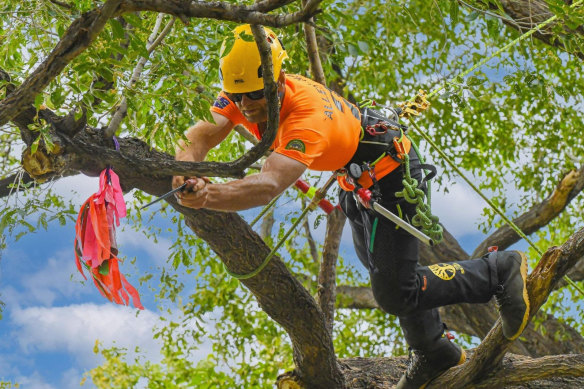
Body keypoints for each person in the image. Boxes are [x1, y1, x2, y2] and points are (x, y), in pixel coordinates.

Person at [172, 24, 530, 389]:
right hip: (358, 179)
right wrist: (183, 173)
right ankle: (433, 350)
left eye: (253, 95)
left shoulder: (306, 117)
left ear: (277, 79)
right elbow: (202, 134)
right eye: (238, 96)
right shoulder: (248, 89)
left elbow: (268, 185)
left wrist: (208, 196)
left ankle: (497, 271)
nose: (245, 106)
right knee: (386, 270)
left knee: (395, 291)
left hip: (390, 176)